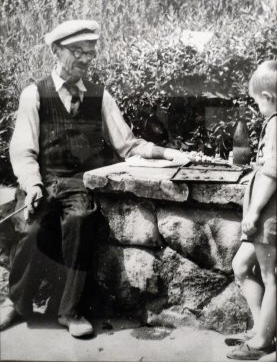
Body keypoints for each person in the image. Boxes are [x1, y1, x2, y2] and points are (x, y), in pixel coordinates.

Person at [0, 20, 187, 338]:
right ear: (56, 51)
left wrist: (166, 154)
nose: (86, 59)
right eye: (78, 52)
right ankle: (16, 303)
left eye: (90, 52)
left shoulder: (100, 97)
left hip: (78, 184)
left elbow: (128, 145)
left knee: (81, 219)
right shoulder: (34, 95)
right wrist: (32, 184)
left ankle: (70, 310)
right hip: (42, 182)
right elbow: (22, 150)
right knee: (33, 227)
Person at [226, 60, 276, 360]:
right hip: (264, 211)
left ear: (268, 97)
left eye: (257, 101)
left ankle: (263, 341)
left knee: (271, 276)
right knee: (242, 266)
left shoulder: (276, 122)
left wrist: (254, 212)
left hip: (269, 213)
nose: (257, 107)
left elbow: (273, 172)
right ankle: (262, 327)